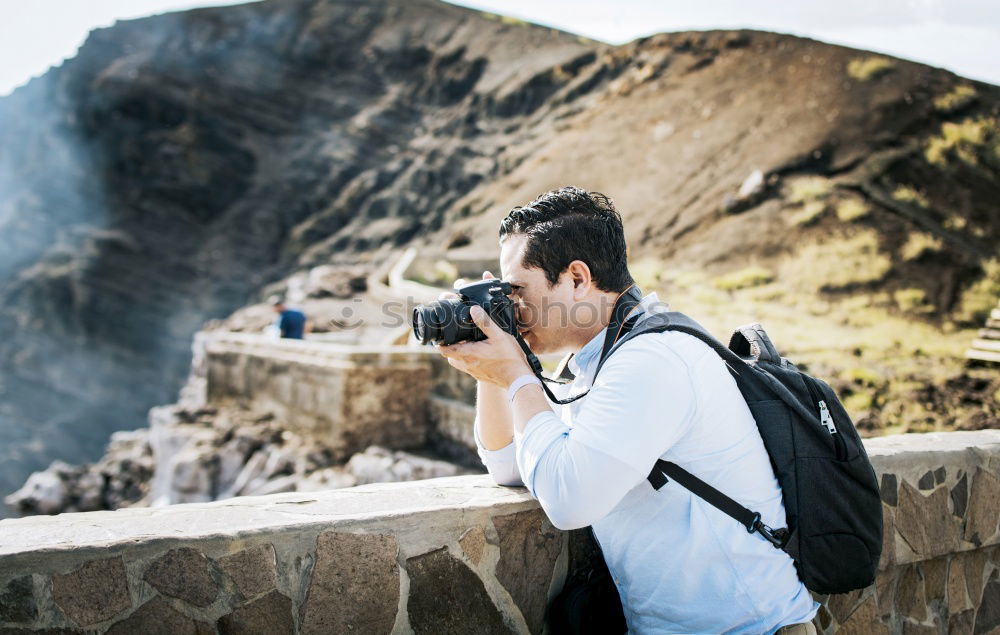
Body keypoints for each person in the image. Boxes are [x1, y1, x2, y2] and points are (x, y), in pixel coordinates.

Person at [436, 186, 818, 634]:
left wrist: (518, 375)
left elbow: (569, 501)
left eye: (517, 291)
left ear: (577, 279)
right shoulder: (600, 363)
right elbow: (512, 465)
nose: (513, 309)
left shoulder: (651, 360)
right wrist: (493, 372)